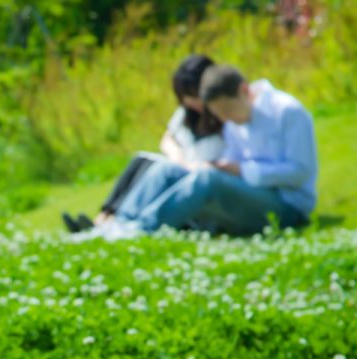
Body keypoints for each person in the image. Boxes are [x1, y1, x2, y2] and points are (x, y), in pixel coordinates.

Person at [102, 64, 317, 236]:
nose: (225, 119)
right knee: (167, 169)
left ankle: (140, 230)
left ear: (244, 91)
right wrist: (219, 166)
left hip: (287, 207)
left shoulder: (287, 112)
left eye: (226, 110)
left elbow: (300, 173)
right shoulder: (234, 122)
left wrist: (241, 170)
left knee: (207, 179)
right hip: (247, 194)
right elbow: (230, 164)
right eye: (219, 114)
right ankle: (118, 223)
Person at [63, 54, 225, 233]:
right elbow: (168, 138)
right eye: (187, 97)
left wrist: (187, 164)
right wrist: (177, 157)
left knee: (157, 168)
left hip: (196, 175)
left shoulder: (224, 113)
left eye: (194, 95)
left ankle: (116, 224)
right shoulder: (187, 115)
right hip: (182, 165)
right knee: (141, 160)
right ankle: (103, 219)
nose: (192, 102)